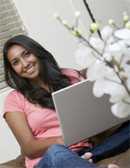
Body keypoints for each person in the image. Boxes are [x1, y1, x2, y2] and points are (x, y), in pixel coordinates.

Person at [2, 35, 129, 168]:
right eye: (16, 62)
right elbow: (28, 148)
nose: (25, 64)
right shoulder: (14, 99)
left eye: (27, 54)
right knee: (56, 151)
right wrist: (60, 140)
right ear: (12, 70)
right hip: (50, 159)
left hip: (87, 151)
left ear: (37, 52)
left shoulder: (70, 75)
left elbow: (93, 110)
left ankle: (83, 161)